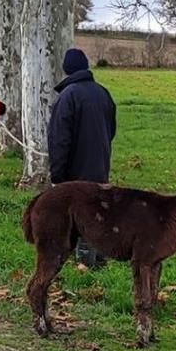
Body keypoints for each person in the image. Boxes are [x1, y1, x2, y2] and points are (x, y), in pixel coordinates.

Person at [48, 48, 116, 268]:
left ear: (66, 69)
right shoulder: (103, 93)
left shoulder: (67, 97)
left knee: (82, 218)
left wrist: (57, 176)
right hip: (101, 166)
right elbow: (111, 130)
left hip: (76, 172)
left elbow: (59, 140)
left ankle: (86, 266)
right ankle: (100, 260)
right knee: (98, 215)